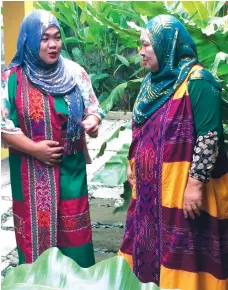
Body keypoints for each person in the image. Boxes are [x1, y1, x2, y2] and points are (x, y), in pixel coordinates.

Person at [118, 15, 228, 290]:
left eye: (146, 45)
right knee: (146, 251)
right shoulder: (150, 84)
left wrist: (195, 185)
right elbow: (140, 128)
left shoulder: (199, 81)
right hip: (149, 194)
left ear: (167, 45)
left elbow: (209, 137)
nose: (141, 52)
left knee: (184, 251)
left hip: (182, 191)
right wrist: (131, 162)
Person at [1, 9, 104, 267]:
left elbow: (93, 107)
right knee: (36, 243)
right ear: (29, 40)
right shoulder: (11, 78)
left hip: (71, 169)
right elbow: (2, 124)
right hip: (30, 172)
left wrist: (92, 121)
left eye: (57, 37)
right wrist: (35, 149)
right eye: (44, 38)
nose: (53, 45)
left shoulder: (74, 72)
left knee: (75, 237)